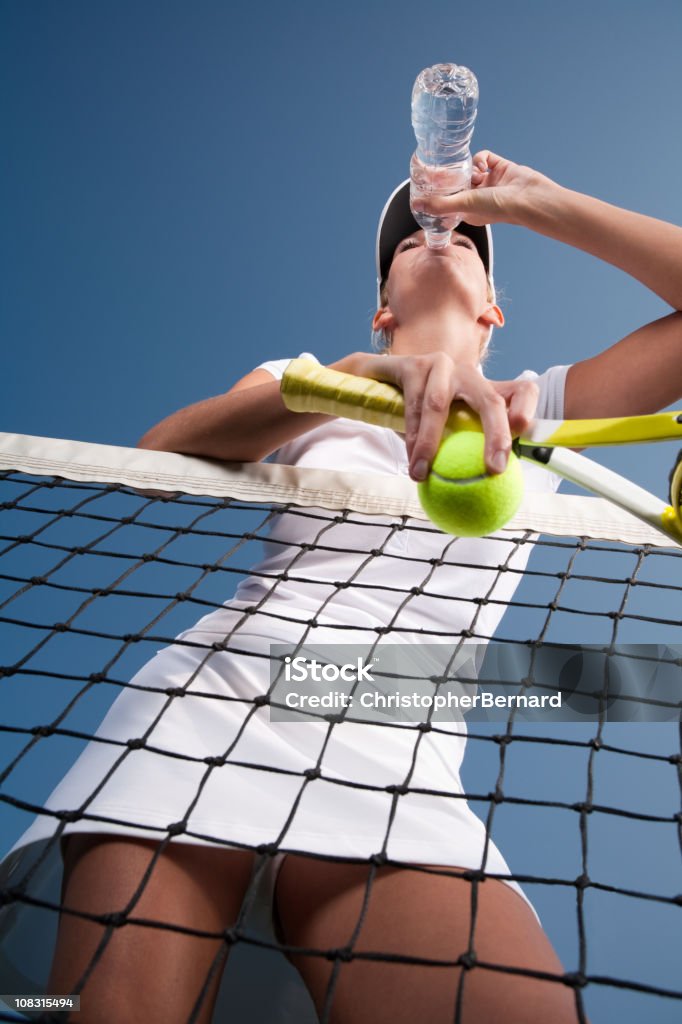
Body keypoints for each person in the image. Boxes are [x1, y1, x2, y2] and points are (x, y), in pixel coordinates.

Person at [2, 150, 682, 1024]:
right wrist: (352, 386)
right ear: (381, 309)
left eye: (473, 239)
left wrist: (546, 205)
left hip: (402, 751)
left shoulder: (538, 408)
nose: (439, 236)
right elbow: (155, 454)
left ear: (492, 313)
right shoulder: (310, 378)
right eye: (407, 240)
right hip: (214, 707)